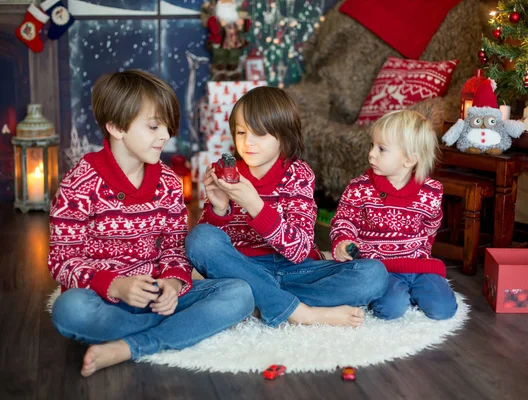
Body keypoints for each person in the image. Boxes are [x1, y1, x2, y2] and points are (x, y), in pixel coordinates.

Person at [48, 70, 254, 377]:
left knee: (240, 294)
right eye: (154, 126)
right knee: (69, 310)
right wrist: (116, 285)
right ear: (116, 127)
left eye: (167, 127)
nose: (165, 136)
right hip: (104, 299)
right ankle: (169, 334)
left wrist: (171, 283)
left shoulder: (169, 182)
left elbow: (173, 249)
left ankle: (130, 345)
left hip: (157, 297)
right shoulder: (79, 183)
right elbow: (62, 261)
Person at [185, 86, 388, 328]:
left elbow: (300, 250)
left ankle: (261, 302)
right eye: (241, 132)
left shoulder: (298, 174)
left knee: (373, 275)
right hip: (245, 268)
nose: (247, 142)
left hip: (296, 270)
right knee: (199, 238)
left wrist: (254, 205)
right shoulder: (226, 172)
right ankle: (303, 313)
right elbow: (210, 249)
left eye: (259, 134)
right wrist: (218, 209)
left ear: (283, 135)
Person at [330, 110, 457, 320]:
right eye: (372, 146)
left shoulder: (431, 191)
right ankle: (396, 294)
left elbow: (431, 226)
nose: (371, 153)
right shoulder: (359, 187)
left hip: (418, 264)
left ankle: (414, 291)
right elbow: (344, 219)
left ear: (408, 160)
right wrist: (344, 240)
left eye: (381, 149)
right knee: (390, 310)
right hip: (380, 267)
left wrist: (419, 251)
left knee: (444, 309)